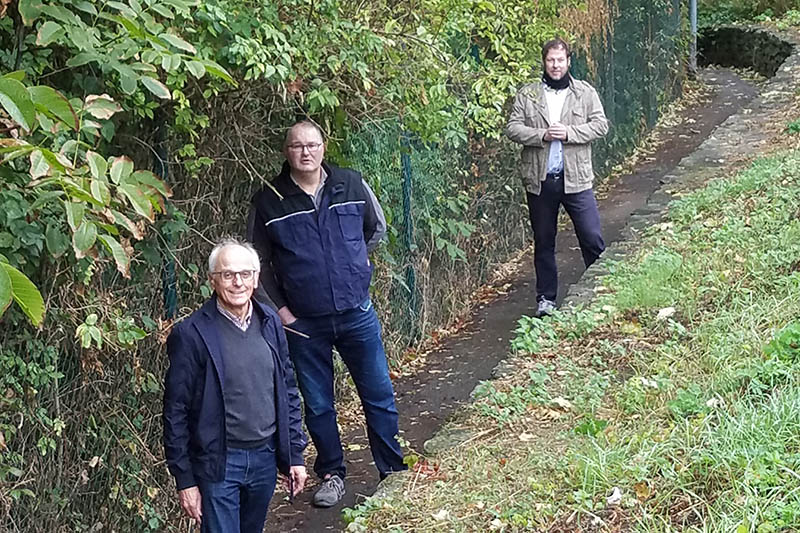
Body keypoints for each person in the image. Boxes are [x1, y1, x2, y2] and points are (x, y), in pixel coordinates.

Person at [247, 120, 407, 508]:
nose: (306, 152)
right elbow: (258, 263)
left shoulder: (351, 184)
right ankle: (333, 474)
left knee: (380, 395)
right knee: (318, 404)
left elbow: (376, 229)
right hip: (304, 324)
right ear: (287, 152)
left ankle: (392, 473)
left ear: (324, 147)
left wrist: (352, 269)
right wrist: (284, 313)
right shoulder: (268, 200)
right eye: (298, 146)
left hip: (357, 312)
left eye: (313, 145)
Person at [163, 238, 308, 532]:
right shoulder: (191, 334)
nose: (237, 282)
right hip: (219, 463)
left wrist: (294, 455)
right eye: (227, 274)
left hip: (264, 458)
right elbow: (175, 411)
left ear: (256, 279)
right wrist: (186, 480)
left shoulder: (270, 321)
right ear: (212, 281)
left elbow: (287, 389)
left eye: (245, 274)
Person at [505, 37, 610, 317]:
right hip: (540, 179)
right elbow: (513, 128)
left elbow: (601, 126)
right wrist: (541, 135)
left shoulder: (584, 93)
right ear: (544, 61)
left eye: (560, 60)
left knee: (591, 235)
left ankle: (603, 288)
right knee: (544, 240)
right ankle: (546, 300)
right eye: (550, 60)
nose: (555, 65)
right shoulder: (528, 95)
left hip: (577, 179)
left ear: (568, 62)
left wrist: (569, 133)